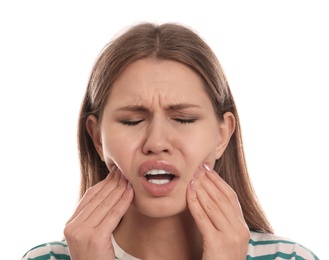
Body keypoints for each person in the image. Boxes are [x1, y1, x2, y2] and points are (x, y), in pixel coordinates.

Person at [21, 22, 319, 260]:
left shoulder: (291, 258)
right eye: (132, 121)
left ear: (222, 134)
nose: (157, 142)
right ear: (97, 138)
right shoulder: (44, 258)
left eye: (184, 119)